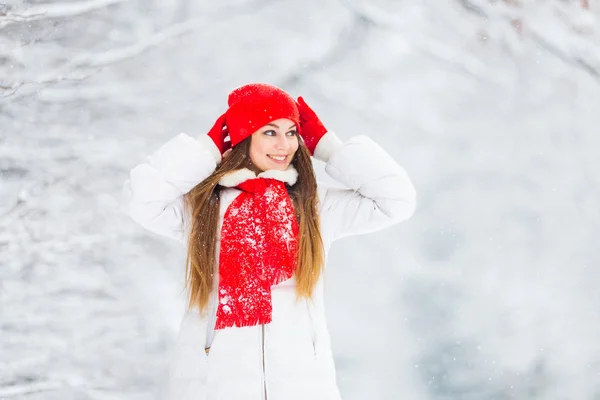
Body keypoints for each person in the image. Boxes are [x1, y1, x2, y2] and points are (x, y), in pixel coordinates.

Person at [122, 83, 417, 400]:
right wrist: (204, 149)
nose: (285, 144)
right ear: (242, 136)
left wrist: (332, 148)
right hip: (212, 386)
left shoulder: (314, 207)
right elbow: (143, 200)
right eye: (270, 132)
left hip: (302, 387)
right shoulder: (203, 209)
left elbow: (397, 200)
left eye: (292, 132)